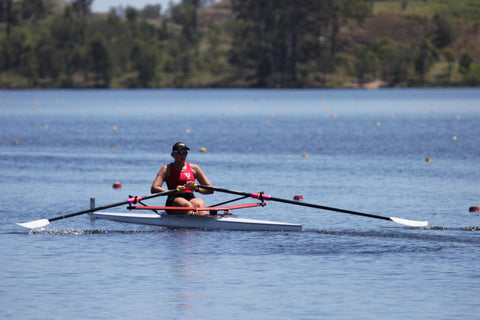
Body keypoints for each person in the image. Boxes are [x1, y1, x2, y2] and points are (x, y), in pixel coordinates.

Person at [151, 142, 213, 215]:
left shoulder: (194, 168)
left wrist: (196, 188)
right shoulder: (166, 169)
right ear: (173, 154)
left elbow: (210, 189)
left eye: (185, 152)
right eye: (179, 152)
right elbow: (154, 189)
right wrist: (173, 191)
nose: (183, 155)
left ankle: (207, 221)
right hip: (173, 199)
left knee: (199, 204)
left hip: (190, 197)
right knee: (187, 206)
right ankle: (194, 221)